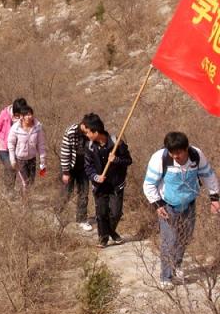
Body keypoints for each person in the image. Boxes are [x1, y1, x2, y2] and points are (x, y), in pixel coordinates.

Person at [143, 132, 220, 289]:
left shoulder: (196, 155)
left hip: (189, 203)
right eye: (172, 152)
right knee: (169, 241)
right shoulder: (159, 158)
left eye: (179, 152)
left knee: (184, 238)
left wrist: (214, 198)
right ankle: (165, 277)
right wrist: (158, 205)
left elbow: (208, 175)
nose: (175, 156)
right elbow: (149, 184)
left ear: (186, 148)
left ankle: (176, 266)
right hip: (167, 206)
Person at [83, 113, 132, 248]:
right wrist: (95, 177)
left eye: (88, 132)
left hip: (116, 184)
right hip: (99, 186)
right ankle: (103, 238)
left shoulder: (117, 142)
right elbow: (88, 167)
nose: (87, 135)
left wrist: (116, 160)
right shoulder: (89, 147)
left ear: (95, 132)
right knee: (101, 213)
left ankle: (111, 232)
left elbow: (128, 160)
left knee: (116, 213)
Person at [60, 118, 92, 231]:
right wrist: (65, 172)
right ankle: (58, 213)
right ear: (83, 125)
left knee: (84, 193)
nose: (89, 131)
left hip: (83, 168)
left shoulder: (91, 133)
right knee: (67, 192)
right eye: (88, 128)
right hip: (69, 166)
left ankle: (81, 219)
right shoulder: (71, 132)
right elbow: (65, 153)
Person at [0, 98, 27, 192]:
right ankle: (9, 190)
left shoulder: (24, 117)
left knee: (13, 167)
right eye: (17, 114)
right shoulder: (5, 113)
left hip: (15, 147)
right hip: (2, 146)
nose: (18, 116)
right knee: (10, 165)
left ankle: (10, 188)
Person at [7, 105, 46, 191]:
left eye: (30, 114)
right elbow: (11, 144)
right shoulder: (16, 128)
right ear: (21, 116)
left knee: (31, 182)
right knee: (24, 183)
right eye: (26, 115)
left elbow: (41, 144)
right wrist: (12, 159)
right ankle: (23, 198)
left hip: (32, 159)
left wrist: (42, 160)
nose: (29, 117)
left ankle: (29, 197)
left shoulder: (37, 127)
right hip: (20, 160)